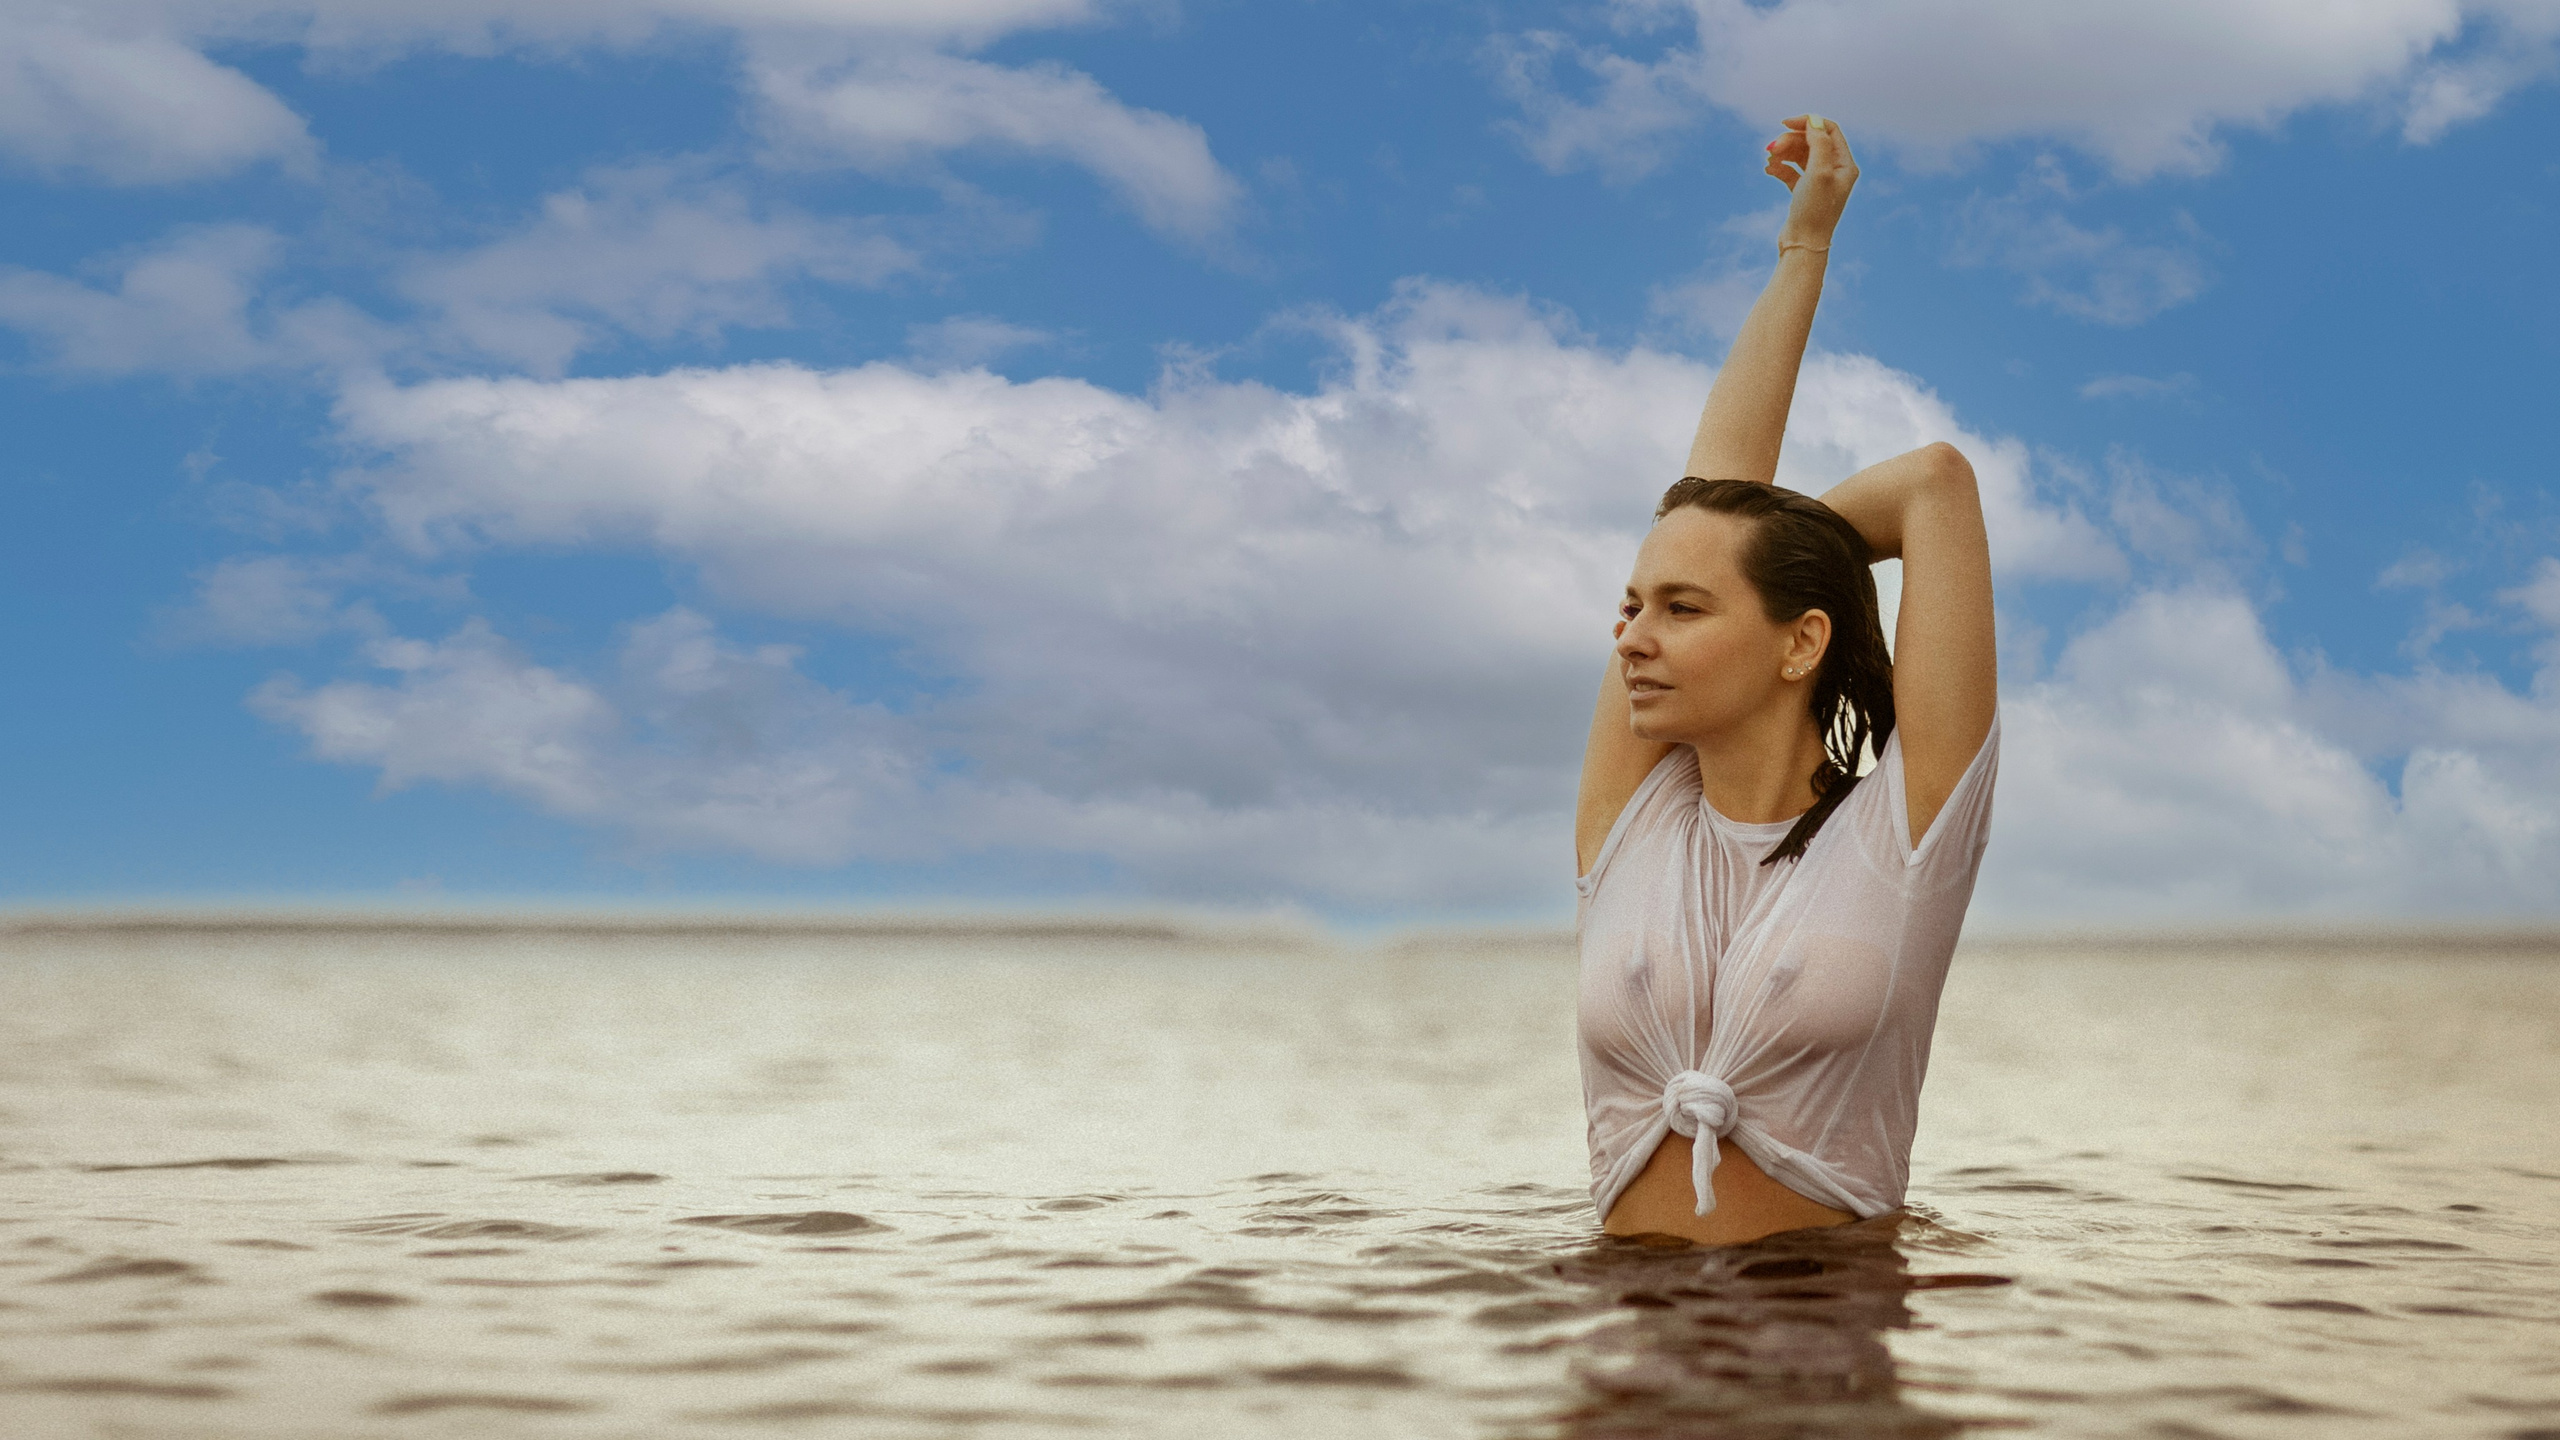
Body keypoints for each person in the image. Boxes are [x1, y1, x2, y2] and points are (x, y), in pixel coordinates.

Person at [1573, 115, 2000, 1246]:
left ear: (1801, 642)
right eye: (1633, 606)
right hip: (1619, 1333)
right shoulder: (1632, 813)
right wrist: (1799, 250)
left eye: (1681, 609)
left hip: (1827, 1326)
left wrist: (1782, 555)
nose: (1630, 639)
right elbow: (1706, 497)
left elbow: (1934, 485)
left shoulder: (1910, 826)